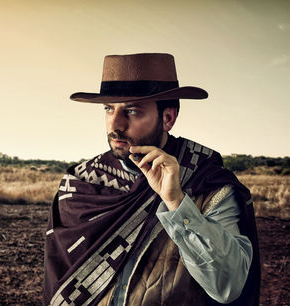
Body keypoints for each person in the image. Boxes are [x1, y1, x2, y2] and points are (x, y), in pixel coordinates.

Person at [43, 53, 260, 306]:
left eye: (132, 111)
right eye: (109, 109)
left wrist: (177, 202)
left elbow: (229, 285)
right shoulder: (80, 182)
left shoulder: (209, 184)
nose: (115, 125)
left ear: (167, 118)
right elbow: (59, 279)